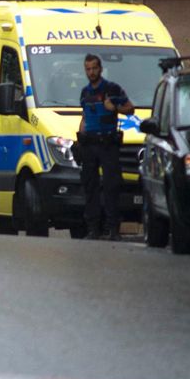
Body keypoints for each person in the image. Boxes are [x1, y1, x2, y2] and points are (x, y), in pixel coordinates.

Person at [76, 53, 135, 241]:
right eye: (88, 69)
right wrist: (79, 138)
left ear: (100, 69)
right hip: (90, 144)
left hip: (108, 144)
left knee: (111, 187)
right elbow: (85, 116)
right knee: (90, 187)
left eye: (94, 68)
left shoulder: (112, 89)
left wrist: (114, 108)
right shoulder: (85, 93)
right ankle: (93, 229)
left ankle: (113, 230)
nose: (91, 72)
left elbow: (130, 108)